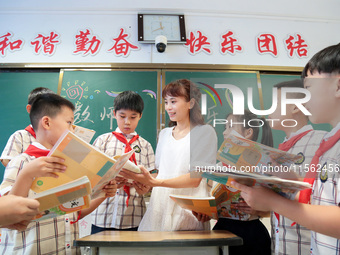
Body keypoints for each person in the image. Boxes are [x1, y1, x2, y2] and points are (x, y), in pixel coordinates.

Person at [233, 43, 340, 255]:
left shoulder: (319, 141)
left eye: (308, 88)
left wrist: (273, 200)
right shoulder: (329, 143)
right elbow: (320, 198)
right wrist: (290, 182)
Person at [0, 93, 117, 254]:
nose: (72, 130)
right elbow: (9, 215)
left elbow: (75, 211)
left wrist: (103, 194)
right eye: (69, 123)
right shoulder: (22, 162)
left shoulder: (69, 165)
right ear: (46, 122)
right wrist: (26, 174)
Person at [120, 79, 217, 231]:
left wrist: (154, 182)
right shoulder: (164, 134)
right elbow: (161, 173)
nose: (168, 107)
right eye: (166, 102)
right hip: (159, 207)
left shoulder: (204, 132)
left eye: (173, 101)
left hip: (188, 211)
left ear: (190, 103)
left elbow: (195, 179)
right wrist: (145, 184)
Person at [194, 110, 272, 255]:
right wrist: (206, 213)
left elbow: (276, 206)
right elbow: (212, 203)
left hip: (252, 236)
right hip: (222, 232)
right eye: (225, 128)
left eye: (230, 127)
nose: (225, 132)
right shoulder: (217, 168)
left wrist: (258, 210)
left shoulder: (263, 166)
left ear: (248, 132)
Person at [268, 79, 327, 255]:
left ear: (295, 107)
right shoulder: (280, 149)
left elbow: (320, 197)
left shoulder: (321, 142)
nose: (268, 110)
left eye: (274, 104)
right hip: (281, 246)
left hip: (307, 247)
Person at [91, 90, 155, 233]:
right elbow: (90, 174)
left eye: (133, 117)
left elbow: (152, 179)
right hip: (102, 216)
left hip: (134, 216)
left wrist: (147, 187)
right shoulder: (102, 141)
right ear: (114, 114)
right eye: (122, 116)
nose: (127, 122)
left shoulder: (145, 146)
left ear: (140, 116)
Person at [0, 87, 55, 167]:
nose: (47, 111)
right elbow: (9, 163)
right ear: (29, 109)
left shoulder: (57, 136)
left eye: (52, 107)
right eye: (41, 107)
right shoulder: (20, 136)